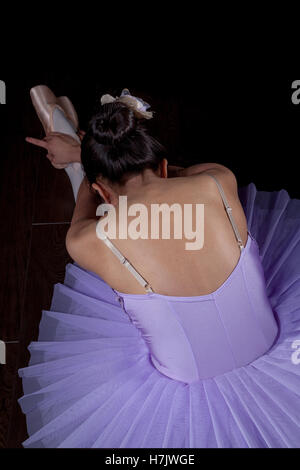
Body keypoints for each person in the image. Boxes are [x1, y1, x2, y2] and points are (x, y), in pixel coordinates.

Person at [18, 88, 300, 448]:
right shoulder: (217, 180)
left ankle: (75, 146)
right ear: (163, 167)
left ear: (102, 193)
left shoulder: (85, 241)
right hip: (277, 346)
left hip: (186, 383)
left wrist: (85, 163)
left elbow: (84, 215)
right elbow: (181, 176)